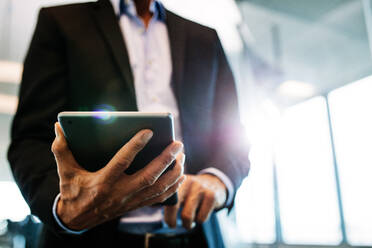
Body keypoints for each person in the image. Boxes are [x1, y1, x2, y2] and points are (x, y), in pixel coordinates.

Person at [8, 0, 250, 247]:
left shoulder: (205, 37)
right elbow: (30, 138)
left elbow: (234, 136)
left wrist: (218, 180)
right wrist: (64, 206)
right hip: (91, 239)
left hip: (194, 237)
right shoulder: (61, 23)